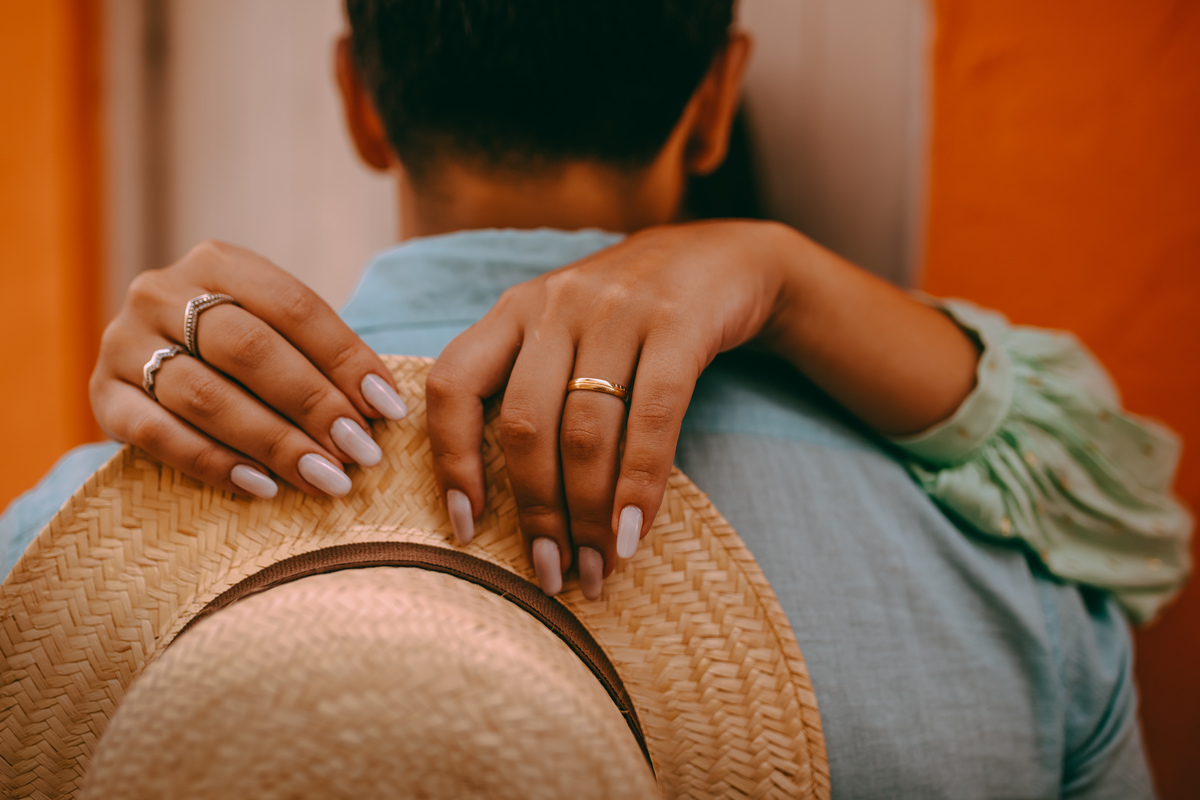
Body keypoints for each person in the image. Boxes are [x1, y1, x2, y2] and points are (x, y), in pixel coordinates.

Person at [1, 0, 1189, 795]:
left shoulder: (38, 562)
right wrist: (779, 264)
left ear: (359, 98)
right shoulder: (1007, 578)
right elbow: (1133, 508)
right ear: (718, 97)